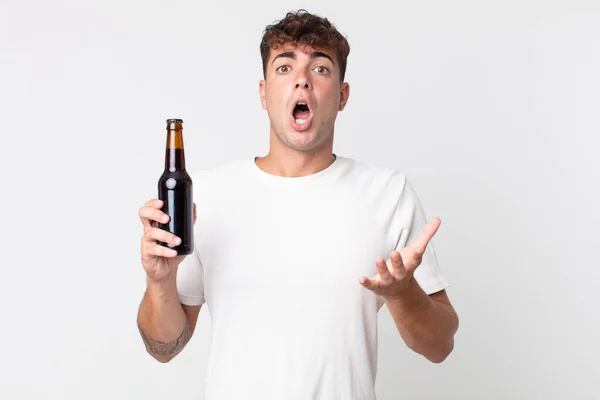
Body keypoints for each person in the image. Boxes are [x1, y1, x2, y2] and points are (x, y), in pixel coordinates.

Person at [137, 9, 459, 400]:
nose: (302, 79)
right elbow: (163, 347)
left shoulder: (387, 193)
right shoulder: (205, 197)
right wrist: (160, 280)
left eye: (321, 68)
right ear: (263, 93)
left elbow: (440, 346)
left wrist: (403, 292)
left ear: (342, 96)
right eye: (285, 67)